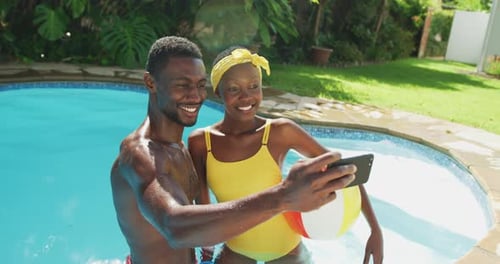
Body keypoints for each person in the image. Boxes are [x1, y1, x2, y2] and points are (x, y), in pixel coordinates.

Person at [110, 36, 358, 264]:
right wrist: (283, 196)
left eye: (199, 85)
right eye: (182, 85)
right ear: (150, 82)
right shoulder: (139, 155)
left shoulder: (179, 148)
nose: (195, 96)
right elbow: (174, 227)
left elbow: (197, 217)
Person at [188, 47, 384, 264]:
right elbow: (203, 206)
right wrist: (205, 254)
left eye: (254, 86)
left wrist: (375, 231)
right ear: (218, 91)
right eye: (234, 89)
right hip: (235, 252)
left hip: (287, 253)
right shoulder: (200, 142)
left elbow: (348, 170)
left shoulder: (280, 132)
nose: (246, 97)